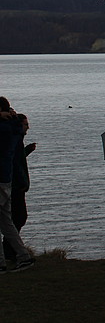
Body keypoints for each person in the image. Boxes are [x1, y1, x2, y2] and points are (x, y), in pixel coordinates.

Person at [0, 97, 34, 272]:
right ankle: (22, 256)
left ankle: (2, 262)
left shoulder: (4, 128)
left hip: (2, 179)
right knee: (7, 222)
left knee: (9, 221)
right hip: (6, 180)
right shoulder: (13, 129)